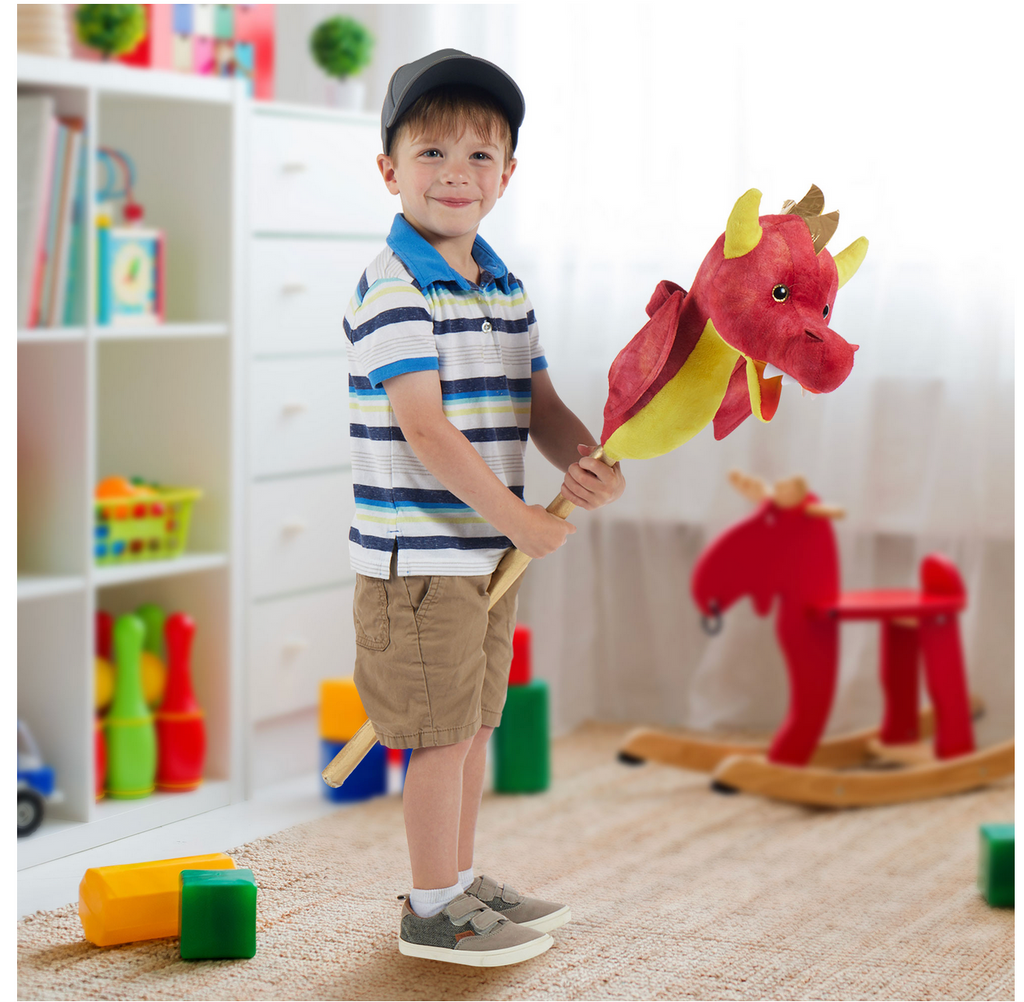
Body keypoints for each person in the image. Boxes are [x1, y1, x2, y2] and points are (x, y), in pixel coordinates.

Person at [344, 49, 624, 967]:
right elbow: (426, 431)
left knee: (470, 731)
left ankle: (458, 886)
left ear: (507, 176)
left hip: (481, 560)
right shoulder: (394, 286)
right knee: (437, 736)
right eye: (431, 154)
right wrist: (521, 519)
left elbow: (538, 408)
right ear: (389, 169)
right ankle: (431, 911)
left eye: (478, 156)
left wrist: (585, 459)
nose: (455, 174)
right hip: (420, 561)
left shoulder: (506, 290)